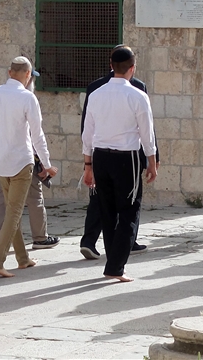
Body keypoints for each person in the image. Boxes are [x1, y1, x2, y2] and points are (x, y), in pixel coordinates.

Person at [82, 46, 157, 282]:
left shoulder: (96, 94)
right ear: (132, 68)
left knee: (107, 211)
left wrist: (87, 164)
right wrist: (152, 161)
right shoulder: (137, 95)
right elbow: (147, 133)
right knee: (129, 212)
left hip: (101, 156)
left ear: (110, 65)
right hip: (128, 158)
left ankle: (112, 262)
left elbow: (87, 133)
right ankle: (116, 266)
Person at [0, 56, 57, 278]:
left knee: (11, 208)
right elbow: (37, 135)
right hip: (22, 162)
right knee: (13, 212)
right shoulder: (28, 98)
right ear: (27, 74)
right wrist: (47, 164)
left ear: (9, 72)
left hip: (2, 161)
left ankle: (22, 258)